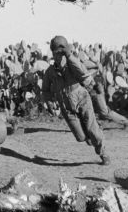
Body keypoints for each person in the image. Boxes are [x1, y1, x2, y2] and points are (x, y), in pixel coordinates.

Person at [42, 35, 111, 165]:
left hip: (82, 99)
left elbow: (83, 73)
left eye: (61, 52)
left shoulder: (73, 64)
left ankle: (103, 153)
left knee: (93, 132)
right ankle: (92, 135)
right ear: (52, 53)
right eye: (56, 53)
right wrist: (49, 102)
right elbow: (45, 90)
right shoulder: (50, 72)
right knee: (81, 137)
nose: (59, 56)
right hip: (66, 107)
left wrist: (70, 56)